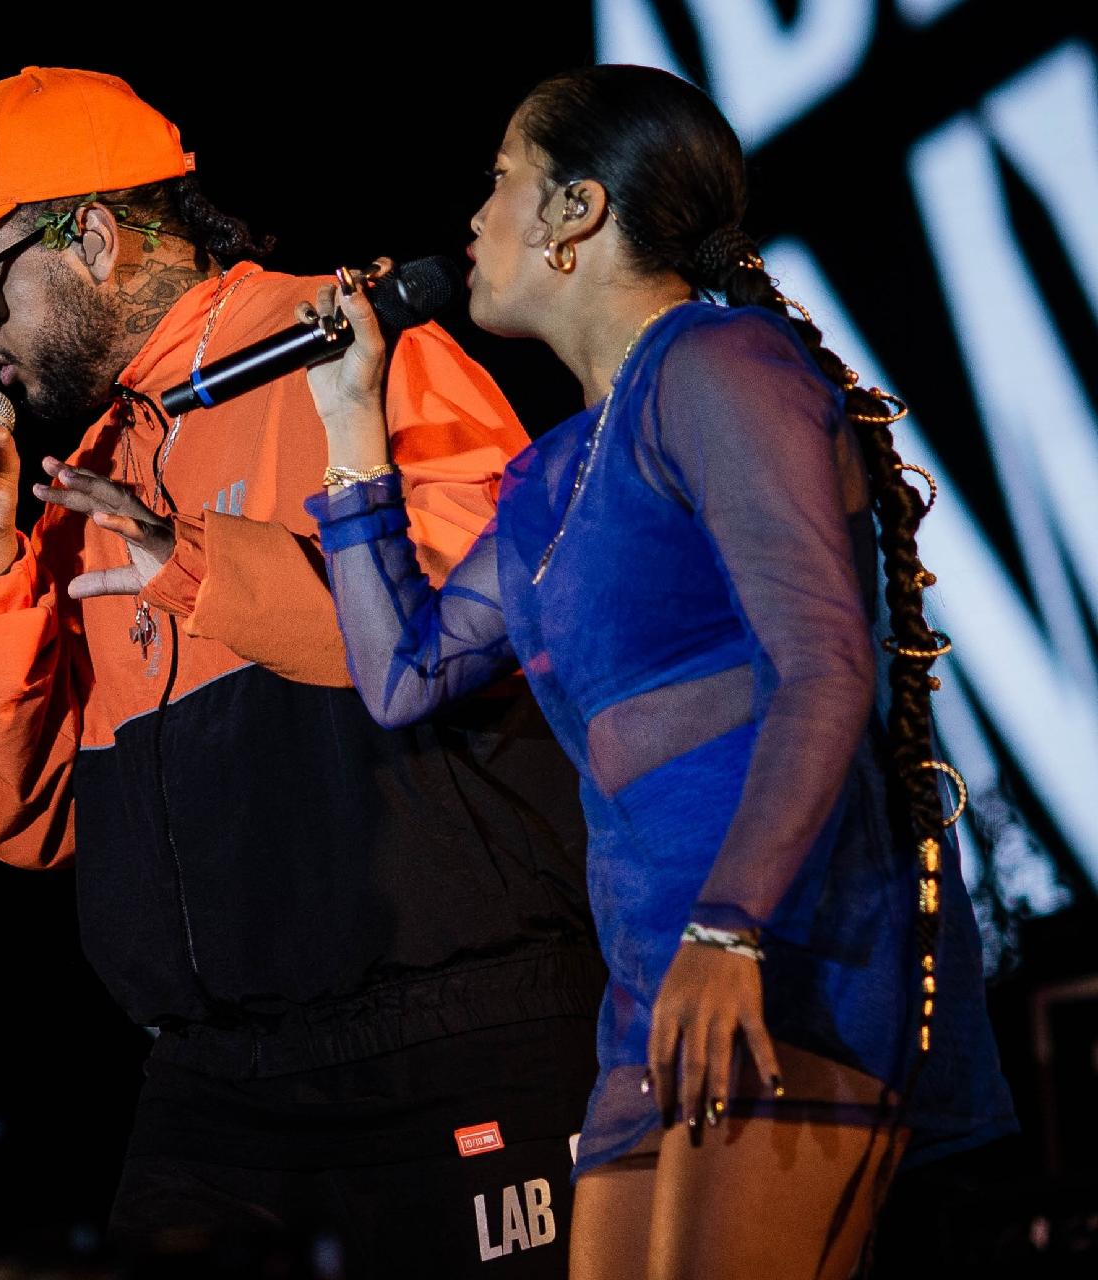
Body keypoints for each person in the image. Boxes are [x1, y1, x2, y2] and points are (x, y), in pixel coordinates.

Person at [0, 67, 603, 1273]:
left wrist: (193, 559)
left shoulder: (352, 347)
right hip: (216, 1081)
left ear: (91, 236)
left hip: (447, 1035)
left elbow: (502, 633)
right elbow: (29, 815)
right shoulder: (89, 474)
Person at [300, 65, 1018, 1278]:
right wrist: (349, 421)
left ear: (577, 211)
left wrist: (732, 931)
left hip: (777, 949)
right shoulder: (549, 474)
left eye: (500, 182)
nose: (473, 220)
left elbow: (827, 666)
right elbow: (403, 674)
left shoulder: (718, 367)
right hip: (647, 993)